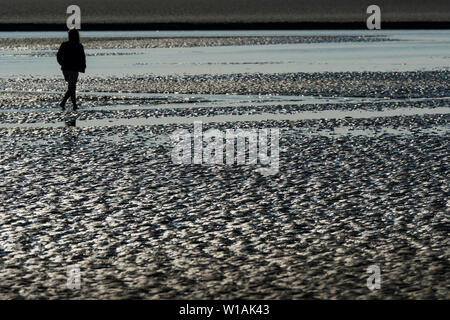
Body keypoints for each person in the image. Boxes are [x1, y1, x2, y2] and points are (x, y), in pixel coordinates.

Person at [57, 28, 86, 111]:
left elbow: (58, 55)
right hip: (73, 69)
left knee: (71, 87)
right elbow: (82, 58)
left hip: (65, 69)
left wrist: (61, 64)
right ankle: (68, 103)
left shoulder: (64, 44)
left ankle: (70, 104)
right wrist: (83, 67)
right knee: (72, 87)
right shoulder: (79, 46)